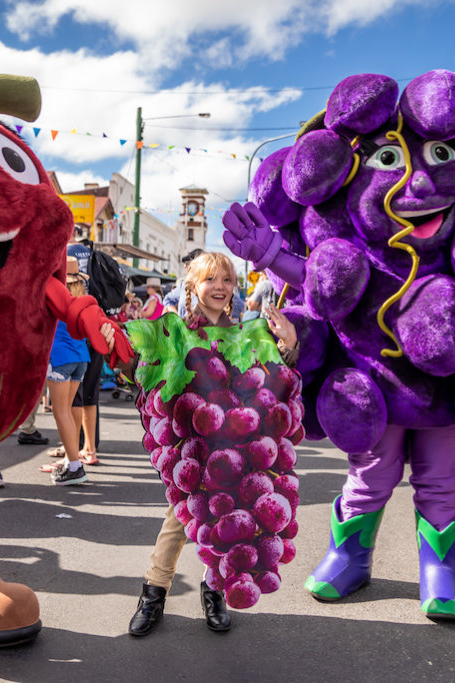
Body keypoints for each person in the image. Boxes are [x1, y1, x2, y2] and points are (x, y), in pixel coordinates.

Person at [125, 251, 299, 637]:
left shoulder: (249, 332)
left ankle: (214, 589)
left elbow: (276, 376)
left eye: (227, 281)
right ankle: (153, 594)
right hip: (192, 450)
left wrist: (288, 345)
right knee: (180, 521)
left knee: (225, 520)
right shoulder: (175, 332)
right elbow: (144, 375)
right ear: (192, 285)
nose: (220, 287)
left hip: (236, 450)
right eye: (210, 280)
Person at [44, 257, 116, 485]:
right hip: (80, 357)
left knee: (61, 411)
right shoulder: (83, 296)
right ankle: (71, 460)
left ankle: (74, 467)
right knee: (71, 409)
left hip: (60, 357)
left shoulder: (55, 294)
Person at [163, 248, 204, 316]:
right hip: (183, 326)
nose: (185, 266)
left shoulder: (210, 285)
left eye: (187, 263)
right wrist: (178, 318)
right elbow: (167, 300)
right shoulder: (184, 285)